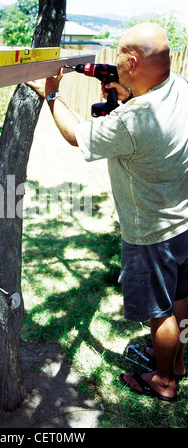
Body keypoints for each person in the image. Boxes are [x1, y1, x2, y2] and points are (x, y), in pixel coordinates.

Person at [27, 22, 188, 402]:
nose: (112, 61)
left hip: (151, 231)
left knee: (159, 310)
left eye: (117, 54)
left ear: (131, 62)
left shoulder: (132, 122)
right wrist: (127, 96)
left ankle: (164, 381)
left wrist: (52, 96)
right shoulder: (178, 87)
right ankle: (177, 363)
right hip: (183, 221)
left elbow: (77, 135)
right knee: (181, 298)